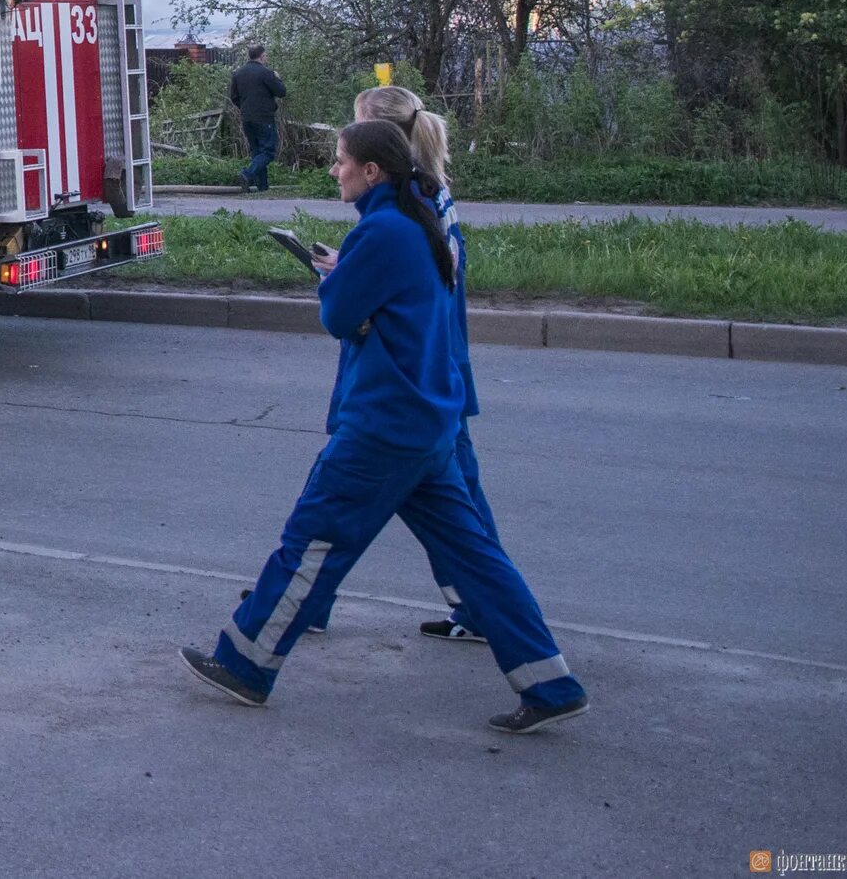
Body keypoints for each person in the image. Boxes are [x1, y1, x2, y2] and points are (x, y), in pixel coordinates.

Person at [181, 117, 588, 735]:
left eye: (341, 161)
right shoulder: (421, 221)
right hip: (429, 425)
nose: (333, 170)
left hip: (381, 429)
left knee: (311, 544)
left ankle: (245, 663)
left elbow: (340, 316)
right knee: (478, 561)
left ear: (373, 171)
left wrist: (335, 278)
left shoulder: (382, 231)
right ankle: (550, 683)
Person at [354, 82, 498, 645]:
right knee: (446, 498)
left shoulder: (407, 202)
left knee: (458, 502)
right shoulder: (430, 190)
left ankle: (487, 608)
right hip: (439, 364)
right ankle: (476, 607)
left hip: (424, 373)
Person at [228, 43, 287, 193]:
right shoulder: (266, 73)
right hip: (264, 118)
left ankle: (262, 187)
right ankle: (247, 174)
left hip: (247, 118)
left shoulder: (238, 73)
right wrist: (277, 78)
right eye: (265, 55)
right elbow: (281, 92)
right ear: (261, 56)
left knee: (257, 152)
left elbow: (233, 97)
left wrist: (245, 108)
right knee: (268, 152)